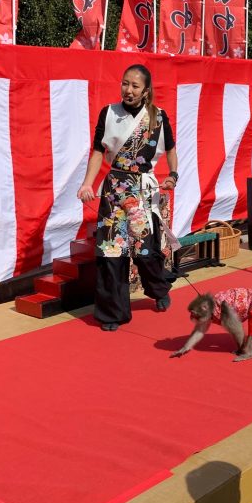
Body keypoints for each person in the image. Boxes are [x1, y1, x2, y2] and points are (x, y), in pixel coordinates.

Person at [78, 64, 179, 332]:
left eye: (135, 86)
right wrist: (87, 183)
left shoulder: (158, 117)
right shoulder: (108, 113)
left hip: (143, 190)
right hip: (114, 190)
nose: (128, 90)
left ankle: (159, 289)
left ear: (146, 90)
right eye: (125, 83)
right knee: (111, 251)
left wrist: (173, 175)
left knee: (145, 251)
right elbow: (98, 152)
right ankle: (112, 313)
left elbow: (170, 150)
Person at [171, 288, 252, 361]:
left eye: (194, 314)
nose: (193, 318)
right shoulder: (210, 310)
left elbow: (237, 331)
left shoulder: (222, 310)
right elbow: (198, 330)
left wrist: (241, 349)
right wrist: (186, 347)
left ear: (204, 308)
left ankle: (250, 352)